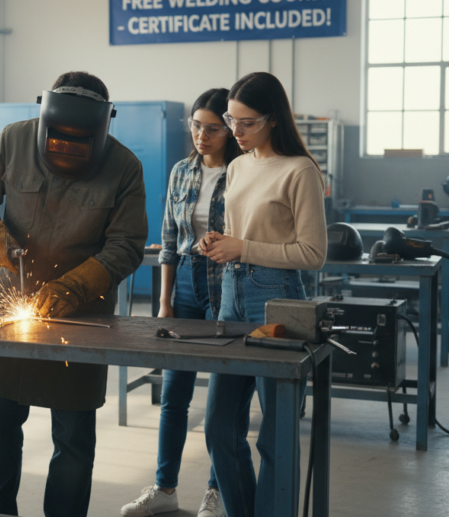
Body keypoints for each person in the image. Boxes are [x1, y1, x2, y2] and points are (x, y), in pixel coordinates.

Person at [0, 71, 148, 517]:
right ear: (44, 118)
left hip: (80, 319)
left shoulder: (124, 166)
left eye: (80, 141)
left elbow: (126, 246)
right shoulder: (13, 140)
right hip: (10, 310)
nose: (66, 147)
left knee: (73, 442)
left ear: (103, 127)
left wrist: (73, 286)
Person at [198, 72, 327, 517]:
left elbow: (312, 253)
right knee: (218, 427)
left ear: (273, 119)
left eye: (246, 123)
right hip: (232, 290)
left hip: (275, 297)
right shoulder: (237, 166)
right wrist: (220, 241)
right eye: (231, 120)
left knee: (274, 434)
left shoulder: (300, 170)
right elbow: (243, 232)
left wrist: (243, 246)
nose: (234, 132)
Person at [121, 88, 242, 517]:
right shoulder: (180, 171)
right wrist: (165, 300)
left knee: (223, 405)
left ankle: (217, 491)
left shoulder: (245, 172)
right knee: (175, 395)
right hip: (187, 288)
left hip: (229, 285)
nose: (202, 135)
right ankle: (165, 489)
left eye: (212, 128)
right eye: (196, 126)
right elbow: (169, 242)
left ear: (229, 129)